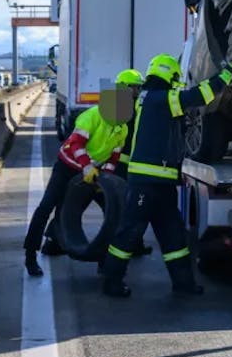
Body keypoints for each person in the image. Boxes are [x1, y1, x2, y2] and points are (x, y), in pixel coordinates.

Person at [100, 52, 232, 298]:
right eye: (175, 76)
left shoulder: (150, 97)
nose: (177, 80)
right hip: (146, 183)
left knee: (173, 234)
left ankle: (183, 283)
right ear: (169, 74)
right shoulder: (158, 98)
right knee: (130, 232)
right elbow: (200, 96)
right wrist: (227, 73)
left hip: (161, 184)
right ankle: (112, 281)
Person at [24, 68, 144, 277]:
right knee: (47, 206)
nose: (136, 93)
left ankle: (104, 257)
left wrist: (104, 179)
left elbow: (114, 155)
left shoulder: (122, 127)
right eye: (134, 88)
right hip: (67, 167)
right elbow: (75, 144)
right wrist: (87, 167)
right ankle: (30, 255)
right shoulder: (92, 116)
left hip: (92, 173)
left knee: (112, 209)